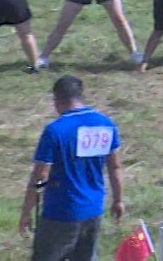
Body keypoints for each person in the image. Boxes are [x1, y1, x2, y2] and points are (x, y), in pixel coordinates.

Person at [20, 76, 124, 261]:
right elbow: (115, 167)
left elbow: (40, 176)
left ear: (57, 99)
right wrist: (118, 201)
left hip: (61, 211)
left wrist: (27, 211)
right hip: (94, 208)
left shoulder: (55, 131)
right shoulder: (107, 125)